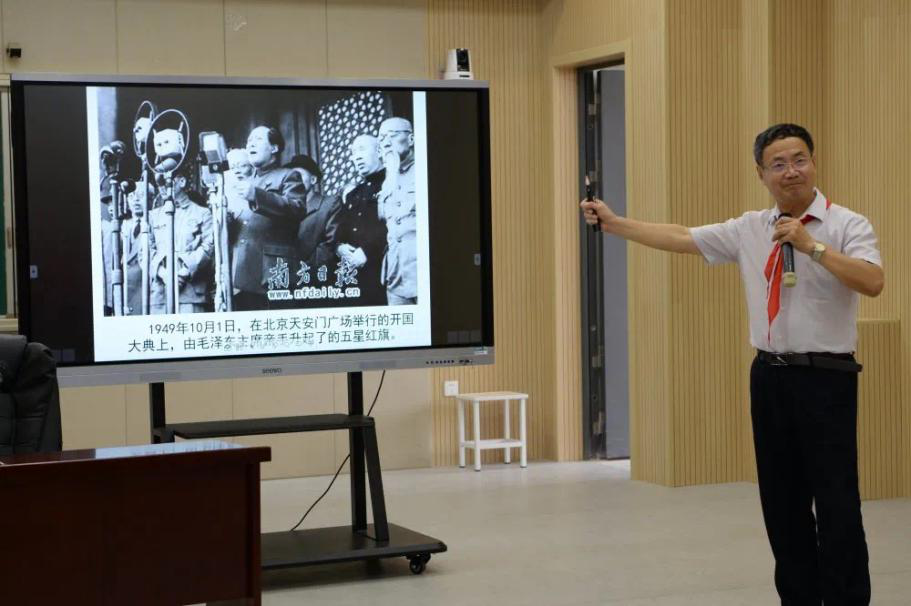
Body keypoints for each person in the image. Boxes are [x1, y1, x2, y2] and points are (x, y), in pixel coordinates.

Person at [581, 123, 882, 606]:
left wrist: (812, 247)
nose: (791, 171)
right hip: (770, 377)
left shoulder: (848, 224)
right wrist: (615, 224)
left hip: (827, 379)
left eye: (799, 159)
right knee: (782, 504)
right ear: (761, 174)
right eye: (778, 164)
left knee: (837, 502)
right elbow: (682, 236)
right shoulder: (750, 228)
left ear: (814, 162)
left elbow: (872, 281)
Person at [228, 126, 307, 310]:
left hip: (272, 271)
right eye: (248, 141)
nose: (250, 144)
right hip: (243, 275)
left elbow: (297, 208)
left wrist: (257, 195)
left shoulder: (288, 175)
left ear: (274, 148)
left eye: (257, 139)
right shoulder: (245, 183)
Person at [148, 168, 214, 314]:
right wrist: (163, 274)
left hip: (191, 294)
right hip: (160, 295)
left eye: (165, 181)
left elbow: (209, 246)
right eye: (159, 183)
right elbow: (146, 251)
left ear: (182, 182)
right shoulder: (153, 216)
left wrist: (184, 272)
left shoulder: (202, 213)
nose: (161, 187)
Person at [335, 134, 389, 306]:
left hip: (383, 269)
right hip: (354, 274)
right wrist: (340, 247)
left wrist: (367, 251)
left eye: (362, 149)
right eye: (353, 152)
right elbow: (340, 229)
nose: (356, 156)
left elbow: (393, 224)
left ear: (379, 151)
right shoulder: (353, 194)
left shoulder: (391, 184)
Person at [377, 117, 418, 305]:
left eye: (392, 135)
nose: (386, 142)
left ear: (411, 139)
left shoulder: (424, 170)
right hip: (396, 276)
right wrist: (391, 176)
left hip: (421, 269)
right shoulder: (388, 177)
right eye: (381, 138)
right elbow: (382, 217)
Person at [284, 154, 341, 280]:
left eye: (298, 176)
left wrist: (303, 273)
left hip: (316, 278)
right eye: (291, 177)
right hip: (287, 278)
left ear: (313, 180)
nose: (294, 180)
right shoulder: (284, 207)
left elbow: (329, 245)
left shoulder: (330, 203)